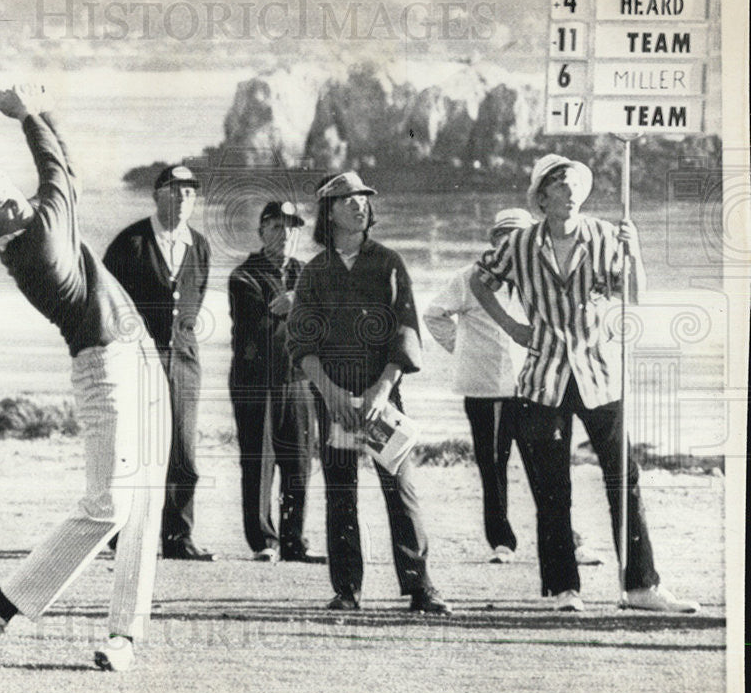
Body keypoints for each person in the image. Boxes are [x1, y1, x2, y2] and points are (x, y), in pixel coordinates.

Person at [0, 84, 170, 672]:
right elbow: (58, 174)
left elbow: (61, 170)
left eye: (8, 189)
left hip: (142, 358)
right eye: (2, 199)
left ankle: (124, 636)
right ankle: (0, 603)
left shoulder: (29, 228)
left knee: (144, 503)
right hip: (107, 369)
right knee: (107, 508)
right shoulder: (39, 242)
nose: (15, 199)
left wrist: (41, 111)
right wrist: (26, 114)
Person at [470, 153, 699, 613]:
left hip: (599, 373)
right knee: (553, 487)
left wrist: (636, 253)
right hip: (544, 377)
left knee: (623, 479)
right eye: (558, 183)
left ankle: (641, 587)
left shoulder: (604, 235)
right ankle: (562, 589)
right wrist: (513, 327)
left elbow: (634, 296)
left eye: (575, 182)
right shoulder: (520, 244)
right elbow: (480, 280)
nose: (570, 190)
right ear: (543, 196)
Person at [287, 171, 451, 614]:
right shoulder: (314, 273)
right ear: (329, 211)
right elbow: (301, 341)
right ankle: (347, 591)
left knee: (400, 489)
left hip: (383, 396)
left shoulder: (389, 262)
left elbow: (406, 327)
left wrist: (382, 390)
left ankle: (421, 588)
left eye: (362, 197)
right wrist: (330, 392)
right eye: (346, 198)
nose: (359, 204)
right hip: (333, 398)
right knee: (341, 492)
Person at [424, 208, 603, 567]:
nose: (508, 243)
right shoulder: (468, 277)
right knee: (492, 466)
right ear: (493, 243)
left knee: (546, 467)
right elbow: (434, 315)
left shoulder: (540, 279)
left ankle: (568, 541)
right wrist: (462, 350)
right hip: (484, 388)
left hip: (533, 386)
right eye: (502, 236)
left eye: (517, 236)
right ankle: (502, 542)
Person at [103, 164, 216, 561]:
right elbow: (106, 304)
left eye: (189, 192)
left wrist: (178, 342)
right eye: (175, 190)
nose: (183, 198)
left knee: (183, 452)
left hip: (184, 360)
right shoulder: (130, 242)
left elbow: (194, 298)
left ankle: (178, 537)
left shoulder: (199, 245)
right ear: (157, 195)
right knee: (136, 450)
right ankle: (124, 533)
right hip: (137, 360)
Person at [228, 200, 326, 564]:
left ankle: (294, 541)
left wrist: (298, 302)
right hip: (255, 382)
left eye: (291, 227)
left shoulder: (306, 273)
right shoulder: (243, 276)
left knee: (299, 463)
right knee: (259, 462)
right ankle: (263, 541)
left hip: (298, 380)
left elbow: (325, 313)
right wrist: (305, 305)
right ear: (261, 231)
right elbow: (262, 321)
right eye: (275, 227)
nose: (284, 235)